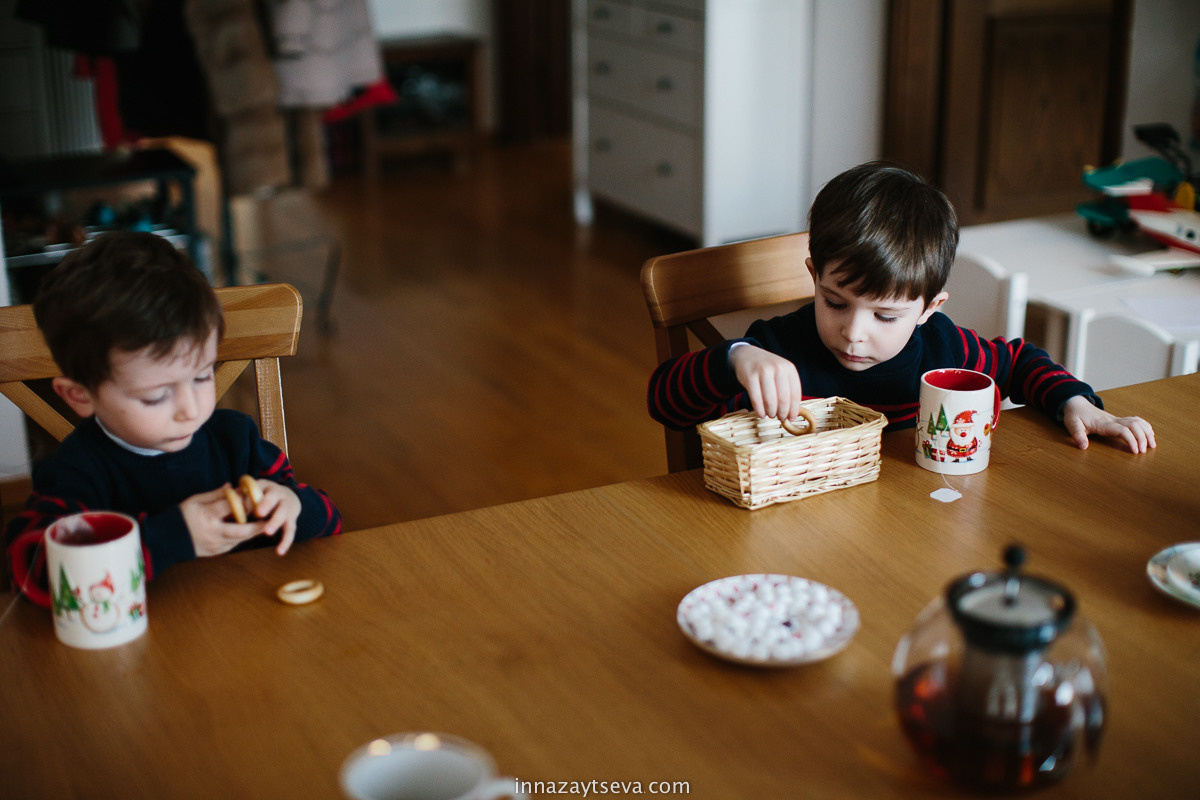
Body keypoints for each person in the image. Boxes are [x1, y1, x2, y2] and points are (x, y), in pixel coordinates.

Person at [647, 161, 1156, 454]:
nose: (854, 332)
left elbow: (1017, 361)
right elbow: (665, 405)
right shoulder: (778, 351)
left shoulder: (944, 349)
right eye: (835, 303)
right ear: (813, 277)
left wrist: (1077, 403)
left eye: (885, 316)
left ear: (929, 308)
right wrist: (734, 358)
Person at [5, 231, 342, 605]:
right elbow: (33, 572)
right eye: (156, 396)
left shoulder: (236, 441)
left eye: (202, 376)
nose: (191, 409)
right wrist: (174, 536)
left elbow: (330, 522)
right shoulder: (76, 473)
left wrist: (293, 505)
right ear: (80, 396)